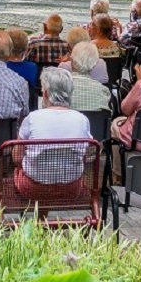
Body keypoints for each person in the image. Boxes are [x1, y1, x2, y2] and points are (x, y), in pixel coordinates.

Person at [13, 68, 93, 199]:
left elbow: (16, 157)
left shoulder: (32, 118)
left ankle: (40, 216)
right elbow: (83, 156)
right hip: (71, 189)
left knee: (19, 171)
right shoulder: (82, 120)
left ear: (45, 94)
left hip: (34, 188)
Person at [65, 41, 111, 112]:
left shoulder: (59, 89)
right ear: (94, 65)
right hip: (94, 123)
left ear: (71, 60)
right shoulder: (103, 91)